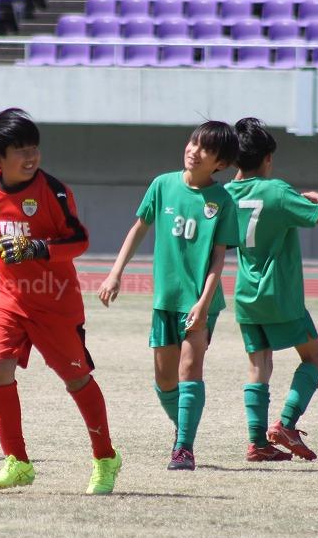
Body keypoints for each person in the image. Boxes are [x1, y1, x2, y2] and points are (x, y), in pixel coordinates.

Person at [0, 108, 121, 495]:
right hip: (8, 298)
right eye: (20, 150)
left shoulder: (54, 191)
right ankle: (18, 462)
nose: (31, 156)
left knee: (76, 379)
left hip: (55, 302)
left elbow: (79, 240)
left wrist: (37, 247)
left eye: (33, 147)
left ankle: (105, 458)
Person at [98, 122, 240, 471]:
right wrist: (116, 272)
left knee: (189, 368)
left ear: (220, 164)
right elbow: (139, 228)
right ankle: (183, 425)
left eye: (206, 149)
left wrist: (203, 303)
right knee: (165, 380)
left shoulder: (222, 200)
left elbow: (218, 259)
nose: (194, 151)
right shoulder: (162, 185)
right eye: (193, 142)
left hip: (200, 302)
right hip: (165, 300)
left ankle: (184, 448)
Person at [224, 118, 318, 461]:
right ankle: (286, 424)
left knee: (259, 365)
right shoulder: (277, 191)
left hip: (246, 295)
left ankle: (257, 443)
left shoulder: (226, 195)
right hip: (280, 294)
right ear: (267, 158)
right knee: (314, 357)